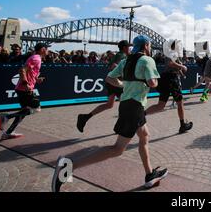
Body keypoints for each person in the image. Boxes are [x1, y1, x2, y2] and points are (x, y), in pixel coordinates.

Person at [52, 36, 168, 192]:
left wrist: (123, 84)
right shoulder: (147, 60)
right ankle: (69, 164)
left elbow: (109, 78)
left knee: (144, 135)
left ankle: (149, 175)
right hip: (135, 106)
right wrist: (153, 81)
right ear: (146, 45)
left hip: (128, 105)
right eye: (150, 45)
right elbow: (153, 83)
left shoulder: (125, 61)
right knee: (117, 149)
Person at [76, 40, 131, 133]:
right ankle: (119, 127)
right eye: (128, 47)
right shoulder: (122, 55)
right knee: (126, 104)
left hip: (111, 82)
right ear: (125, 47)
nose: (129, 49)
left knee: (109, 105)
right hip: (117, 82)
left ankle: (85, 117)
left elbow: (110, 66)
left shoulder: (117, 55)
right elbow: (113, 66)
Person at [0, 43, 48, 139]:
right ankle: (6, 117)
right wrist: (26, 83)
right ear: (42, 49)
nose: (48, 51)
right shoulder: (36, 58)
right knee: (37, 108)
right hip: (24, 89)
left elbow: (30, 72)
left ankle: (8, 133)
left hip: (22, 88)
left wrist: (37, 79)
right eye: (47, 49)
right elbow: (22, 70)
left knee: (23, 112)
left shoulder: (36, 58)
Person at [145, 41, 193, 134]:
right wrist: (182, 66)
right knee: (180, 102)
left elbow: (173, 65)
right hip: (172, 79)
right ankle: (182, 125)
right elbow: (170, 63)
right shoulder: (172, 52)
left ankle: (142, 115)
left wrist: (181, 72)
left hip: (166, 78)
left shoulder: (171, 53)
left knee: (161, 105)